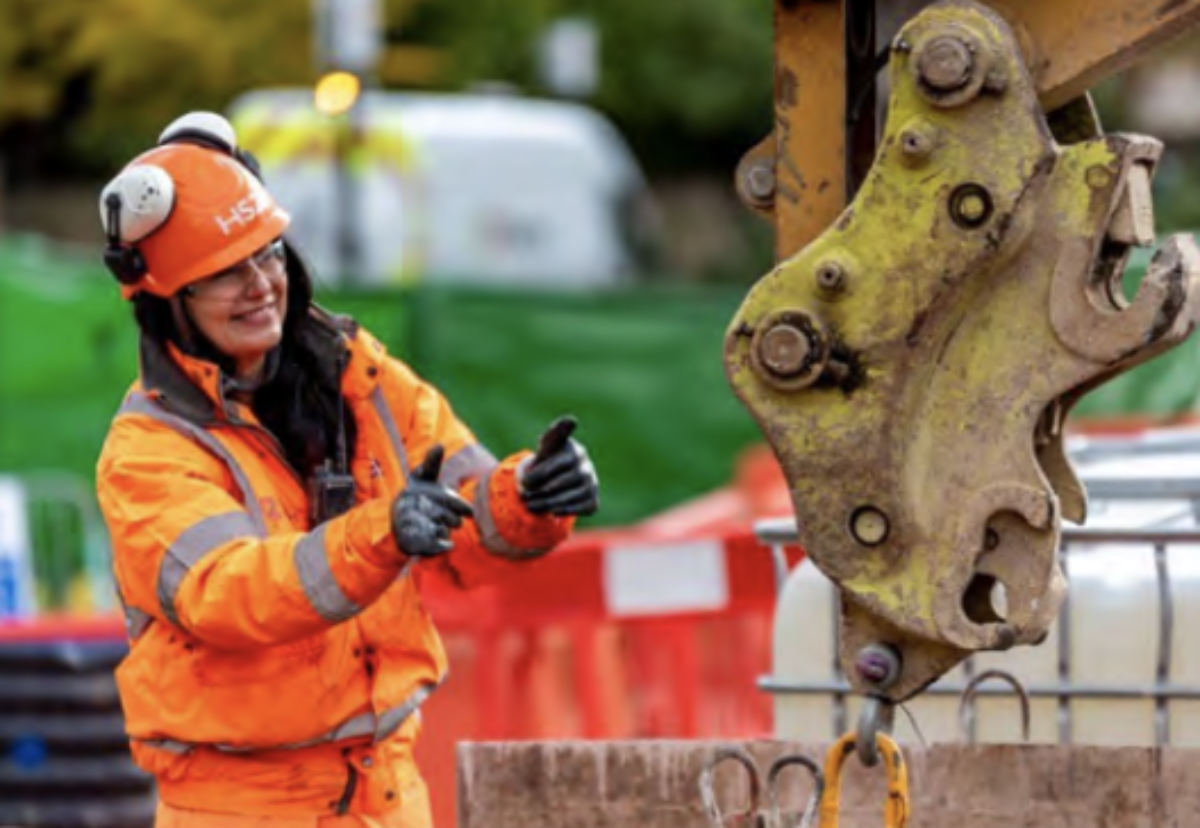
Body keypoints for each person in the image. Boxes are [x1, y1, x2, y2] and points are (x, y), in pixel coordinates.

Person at [94, 111, 600, 827]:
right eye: (223, 274)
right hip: (241, 808)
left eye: (267, 254)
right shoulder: (150, 451)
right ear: (166, 302)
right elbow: (231, 593)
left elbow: (467, 513)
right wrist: (382, 533)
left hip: (387, 791)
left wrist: (530, 497)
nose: (259, 284)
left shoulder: (359, 375)